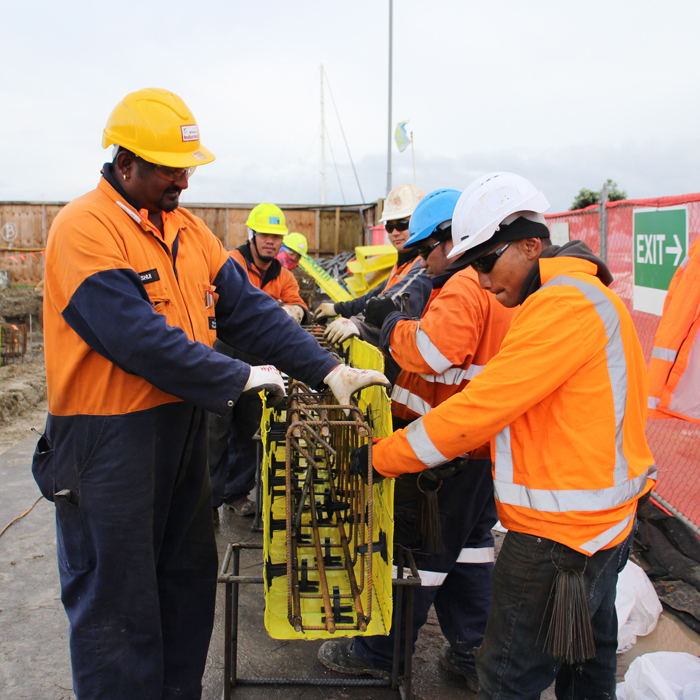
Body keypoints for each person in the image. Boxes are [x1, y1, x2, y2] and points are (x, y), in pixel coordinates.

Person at [32, 87, 389, 700]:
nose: (184, 182)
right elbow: (136, 339)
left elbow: (250, 312)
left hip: (179, 433)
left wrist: (327, 369)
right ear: (125, 165)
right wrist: (240, 378)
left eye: (187, 168)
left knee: (183, 588)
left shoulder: (189, 233)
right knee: (118, 608)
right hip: (105, 444)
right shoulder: (83, 228)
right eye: (170, 169)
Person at [352, 172, 657, 699]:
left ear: (530, 244)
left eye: (488, 263)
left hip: (559, 539)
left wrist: (381, 458)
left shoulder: (561, 307)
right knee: (584, 663)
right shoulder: (584, 297)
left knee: (506, 679)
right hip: (600, 529)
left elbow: (479, 408)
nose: (485, 282)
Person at [318, 189, 515, 691]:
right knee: (469, 549)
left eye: (426, 248)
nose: (422, 260)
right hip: (480, 452)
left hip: (440, 451)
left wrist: (393, 327)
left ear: (451, 240)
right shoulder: (500, 288)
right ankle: (475, 652)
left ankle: (381, 653)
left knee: (417, 555)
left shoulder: (463, 287)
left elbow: (431, 352)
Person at [211, 204, 308, 517]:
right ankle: (207, 501)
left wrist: (294, 311)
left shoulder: (284, 276)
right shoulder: (230, 262)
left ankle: (236, 494)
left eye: (277, 236)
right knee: (214, 429)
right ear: (252, 234)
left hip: (259, 359)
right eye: (265, 234)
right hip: (222, 353)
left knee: (249, 427)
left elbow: (298, 306)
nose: (271, 241)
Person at [314, 184, 432, 380]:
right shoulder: (402, 264)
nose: (395, 232)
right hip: (395, 361)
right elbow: (375, 296)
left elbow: (392, 301)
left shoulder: (424, 266)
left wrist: (357, 325)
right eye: (389, 226)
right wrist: (337, 309)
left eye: (402, 224)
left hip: (412, 368)